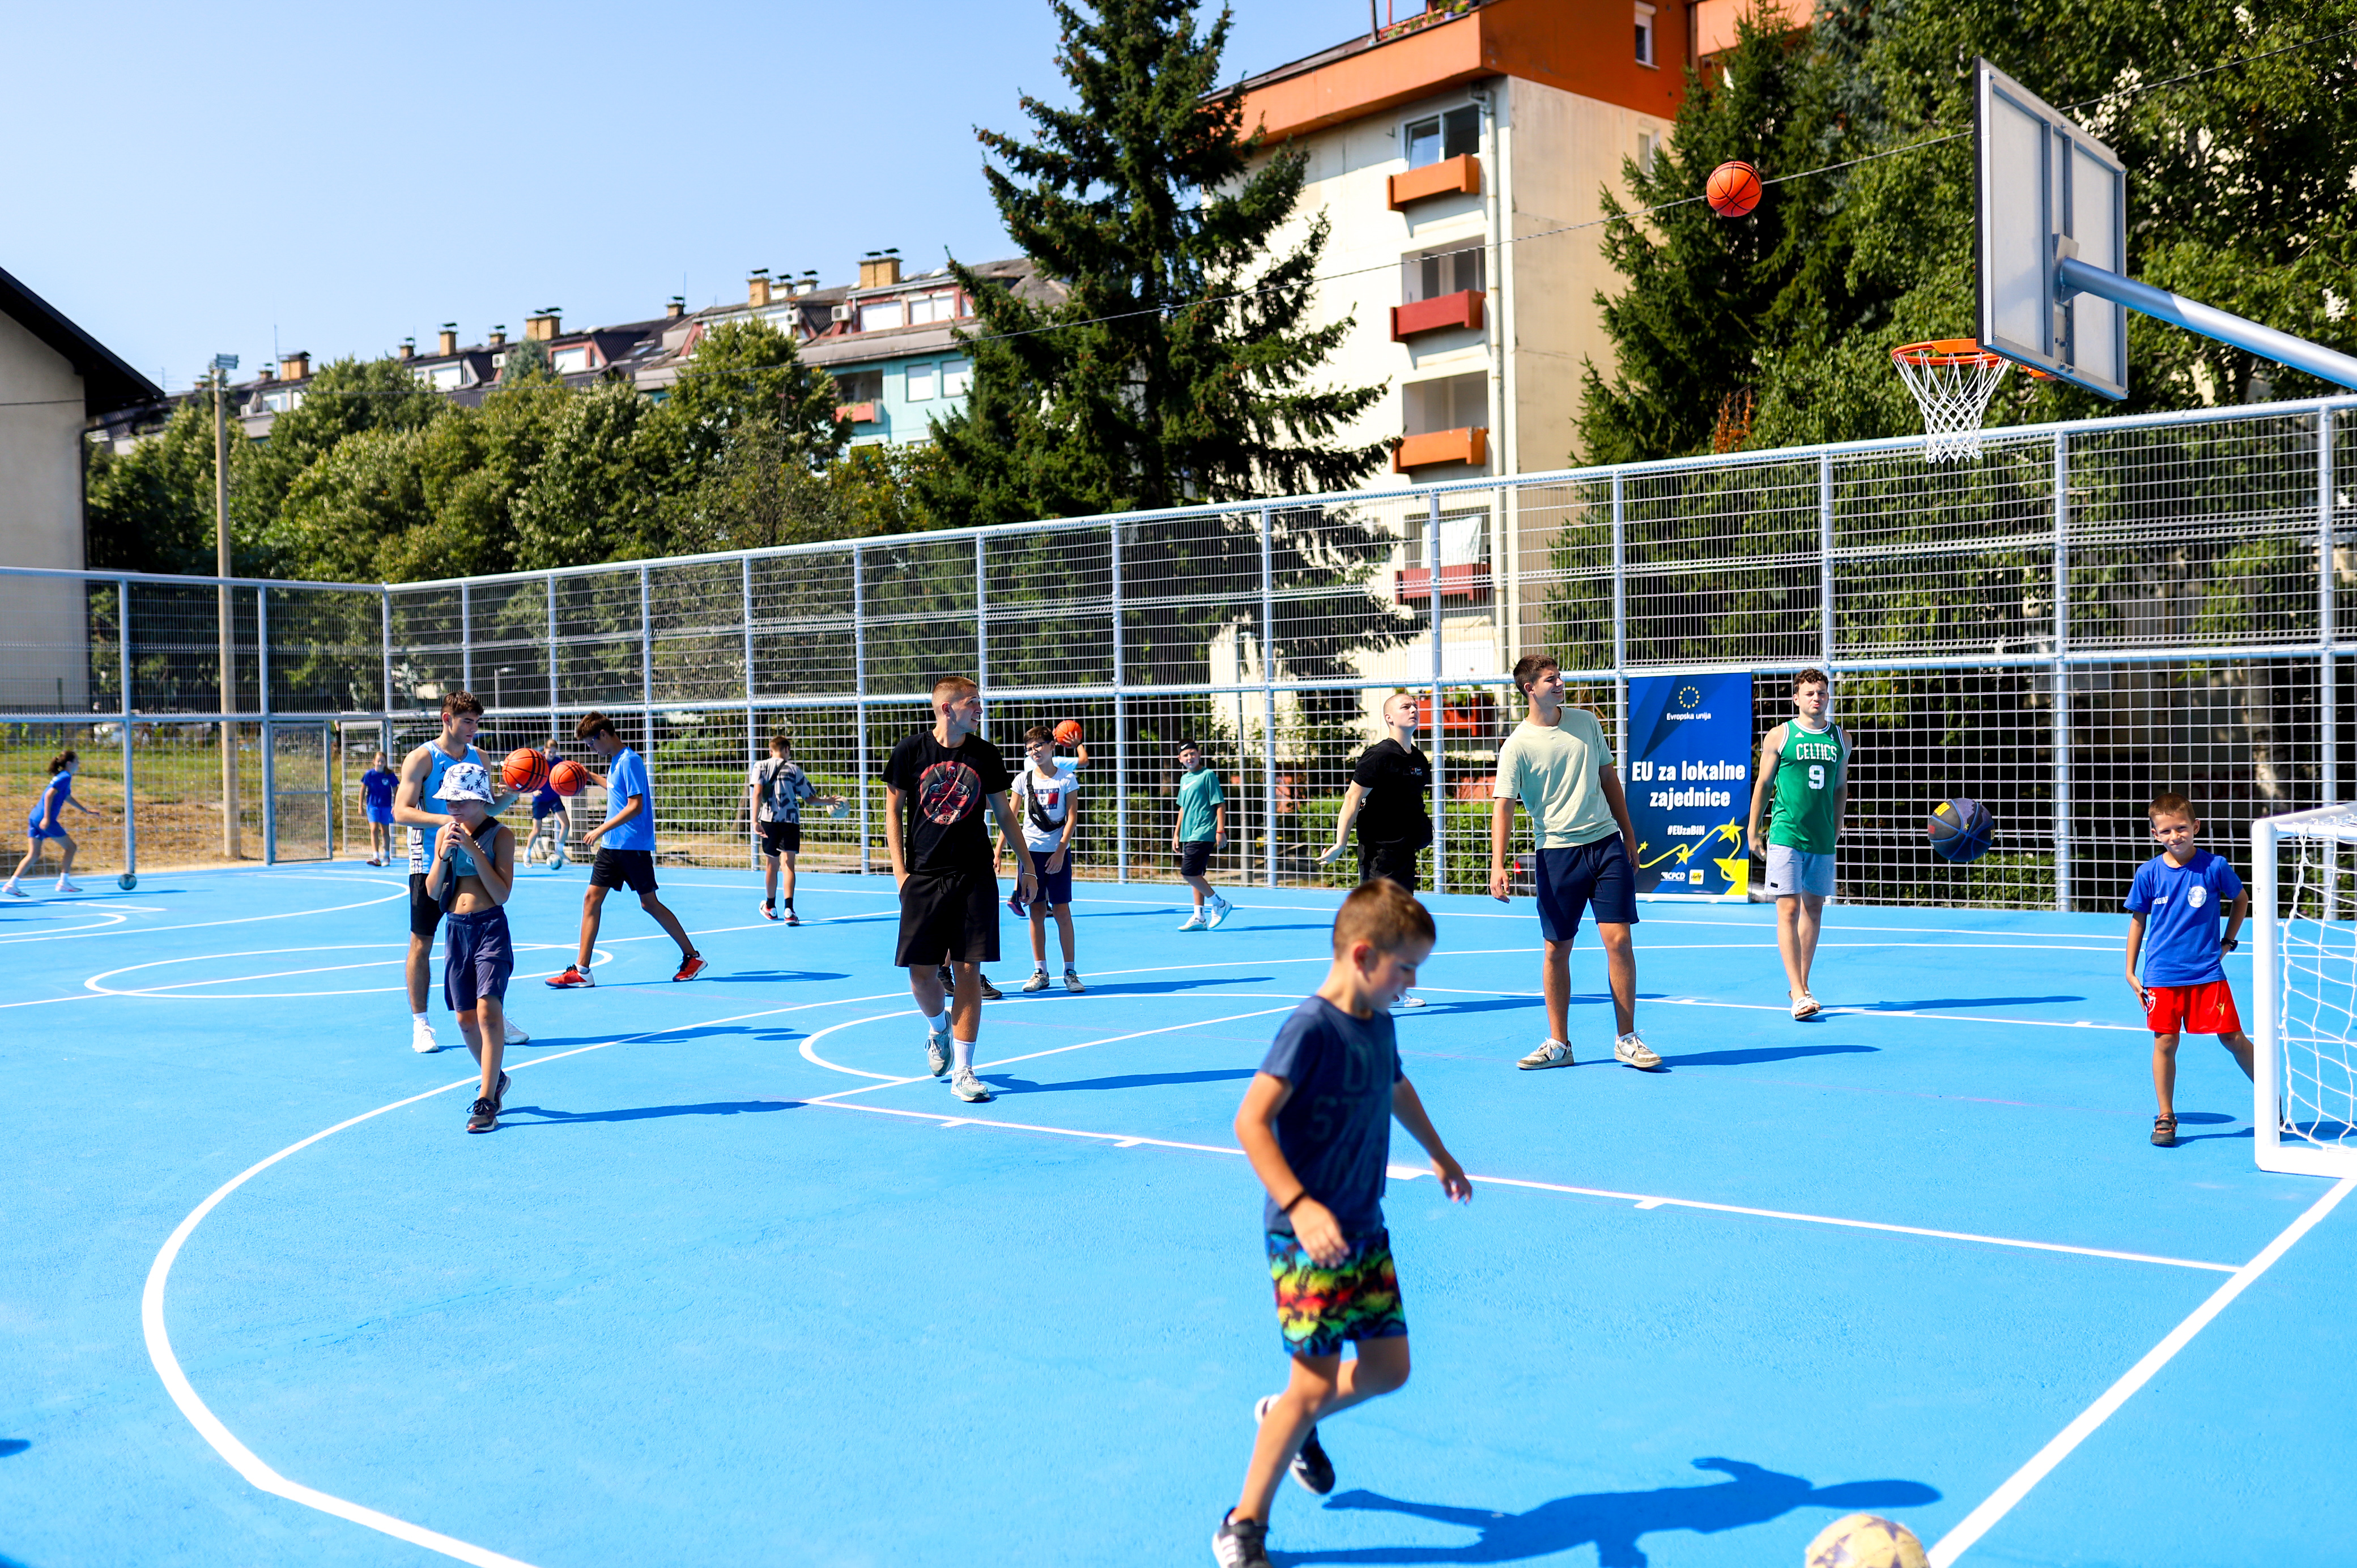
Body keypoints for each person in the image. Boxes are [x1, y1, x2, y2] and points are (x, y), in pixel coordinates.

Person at [1215, 880, 1471, 1568]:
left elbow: (1393, 1085)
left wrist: (1440, 1153)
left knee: (1389, 1369)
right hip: (1307, 1239)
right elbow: (1250, 1120)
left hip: (1364, 1226)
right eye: (1405, 968)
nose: (1411, 982)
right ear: (1363, 955)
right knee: (1313, 1381)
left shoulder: (1379, 1022)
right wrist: (1299, 1205)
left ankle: (1286, 1419)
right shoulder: (1311, 1027)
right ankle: (1242, 1524)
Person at [1487, 654, 1662, 1073]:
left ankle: (1627, 1039)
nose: (1560, 682)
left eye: (1559, 676)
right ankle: (1559, 1044)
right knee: (1556, 950)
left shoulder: (1586, 722)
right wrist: (1498, 864)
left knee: (1619, 941)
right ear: (1530, 689)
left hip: (1606, 847)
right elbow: (1504, 807)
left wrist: (1630, 836)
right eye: (1551, 679)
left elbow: (1608, 779)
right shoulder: (1517, 746)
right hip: (1557, 855)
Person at [883, 676, 1036, 1103]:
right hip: (924, 876)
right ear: (948, 708)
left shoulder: (984, 754)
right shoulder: (910, 752)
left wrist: (1027, 868)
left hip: (974, 876)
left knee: (969, 969)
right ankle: (937, 1029)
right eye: (973, 703)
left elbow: (1004, 814)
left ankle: (965, 1071)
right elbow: (893, 814)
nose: (980, 710)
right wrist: (900, 873)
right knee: (922, 974)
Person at [393, 693, 527, 1056]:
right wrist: (448, 825)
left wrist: (515, 794)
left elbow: (486, 808)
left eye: (477, 723)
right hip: (430, 861)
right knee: (421, 943)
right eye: (467, 722)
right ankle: (421, 1024)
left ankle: (493, 1015)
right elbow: (401, 812)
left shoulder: (479, 757)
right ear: (447, 718)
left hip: (472, 858)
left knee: (482, 941)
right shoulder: (422, 757)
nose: (473, 729)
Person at [2125, 793, 2256, 1148]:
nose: (2175, 836)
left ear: (2195, 827)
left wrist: (2228, 941)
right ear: (2155, 835)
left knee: (2232, 1038)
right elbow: (2139, 921)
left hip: (2207, 974)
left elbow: (2241, 898)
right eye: (2166, 831)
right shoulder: (2149, 872)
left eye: (2181, 828)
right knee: (2165, 1041)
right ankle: (2166, 1115)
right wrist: (2130, 971)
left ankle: (2269, 1096)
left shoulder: (2214, 867)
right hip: (2162, 976)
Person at [546, 711, 705, 988]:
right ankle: (582, 970)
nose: (591, 749)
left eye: (591, 743)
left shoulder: (630, 760)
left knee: (649, 904)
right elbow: (615, 790)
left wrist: (601, 829)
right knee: (591, 900)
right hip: (613, 847)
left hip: (631, 846)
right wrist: (589, 775)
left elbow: (635, 805)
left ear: (604, 735)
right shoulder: (616, 762)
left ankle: (692, 957)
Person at [1745, 668, 1849, 1019]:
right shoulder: (1782, 735)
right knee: (1788, 909)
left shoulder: (1840, 738)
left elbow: (1839, 788)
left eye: (1821, 693)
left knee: (1814, 910)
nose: (1816, 698)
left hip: (1821, 838)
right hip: (1787, 833)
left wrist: (1836, 827)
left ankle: (1801, 987)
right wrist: (1753, 829)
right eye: (1809, 693)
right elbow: (1762, 784)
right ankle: (1799, 993)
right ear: (1796, 698)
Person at [422, 762, 519, 1134]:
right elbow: (433, 892)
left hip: (490, 927)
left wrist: (476, 852)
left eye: (461, 800)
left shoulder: (501, 836)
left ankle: (486, 1099)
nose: (453, 807)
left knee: (488, 1011)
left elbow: (501, 894)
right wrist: (444, 856)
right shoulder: (445, 833)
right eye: (449, 799)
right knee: (464, 1020)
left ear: (482, 800)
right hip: (456, 929)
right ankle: (496, 1079)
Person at [1318, 692, 1432, 1008]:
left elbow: (1412, 805)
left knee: (1400, 923)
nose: (1413, 709)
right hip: (1379, 852)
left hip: (1404, 853)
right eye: (1404, 707)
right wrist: (1341, 842)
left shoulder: (1419, 760)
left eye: (1415, 706)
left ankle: (1393, 988)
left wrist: (1422, 830)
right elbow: (1353, 799)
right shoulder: (1378, 756)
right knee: (1376, 923)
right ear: (1389, 718)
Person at [998, 723, 1087, 993]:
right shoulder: (1022, 780)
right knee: (1036, 911)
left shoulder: (1066, 779)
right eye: (1029, 748)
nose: (1034, 751)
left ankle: (1070, 971)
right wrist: (999, 849)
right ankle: (1040, 971)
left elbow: (1072, 817)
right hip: (1030, 853)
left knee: (1061, 909)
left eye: (1038, 745)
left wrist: (1061, 849)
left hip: (1057, 852)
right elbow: (1009, 816)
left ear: (1051, 746)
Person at [748, 732, 840, 924]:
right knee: (788, 865)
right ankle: (789, 910)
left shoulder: (760, 766)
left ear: (770, 751)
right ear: (787, 750)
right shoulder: (794, 770)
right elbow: (810, 799)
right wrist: (828, 801)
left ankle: (771, 907)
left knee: (771, 865)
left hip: (769, 820)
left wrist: (754, 820)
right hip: (790, 821)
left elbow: (757, 793)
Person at [4, 748, 97, 897]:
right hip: (44, 818)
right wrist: (47, 818)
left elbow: (67, 797)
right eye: (77, 761)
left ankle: (12, 884)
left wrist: (85, 810)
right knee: (71, 847)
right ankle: (63, 882)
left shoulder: (63, 777)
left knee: (34, 854)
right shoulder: (65, 777)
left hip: (34, 817)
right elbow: (49, 795)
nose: (79, 764)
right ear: (69, 763)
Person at [1175, 739, 1233, 931]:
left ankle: (1219, 903)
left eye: (1192, 753)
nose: (1190, 758)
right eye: (1185, 755)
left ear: (1199, 754)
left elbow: (1220, 804)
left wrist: (1220, 830)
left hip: (1204, 831)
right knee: (1197, 874)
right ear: (1180, 759)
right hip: (1188, 834)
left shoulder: (1208, 775)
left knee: (1188, 873)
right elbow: (1183, 808)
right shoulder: (1184, 780)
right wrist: (1176, 834)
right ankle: (1199, 917)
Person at [524, 744, 569, 870]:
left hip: (554, 798)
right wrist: (534, 790)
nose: (552, 755)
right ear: (545, 750)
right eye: (550, 752)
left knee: (566, 825)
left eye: (554, 752)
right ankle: (527, 854)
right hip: (540, 799)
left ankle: (559, 850)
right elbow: (530, 777)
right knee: (537, 830)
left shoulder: (559, 762)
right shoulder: (539, 762)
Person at [359, 750, 397, 867]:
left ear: (385, 763)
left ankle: (387, 856)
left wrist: (396, 805)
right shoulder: (369, 774)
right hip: (373, 806)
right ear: (374, 762)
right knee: (374, 829)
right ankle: (376, 857)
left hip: (386, 806)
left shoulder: (390, 775)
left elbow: (396, 791)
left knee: (385, 831)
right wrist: (360, 806)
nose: (380, 763)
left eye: (383, 761)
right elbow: (363, 790)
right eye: (378, 761)